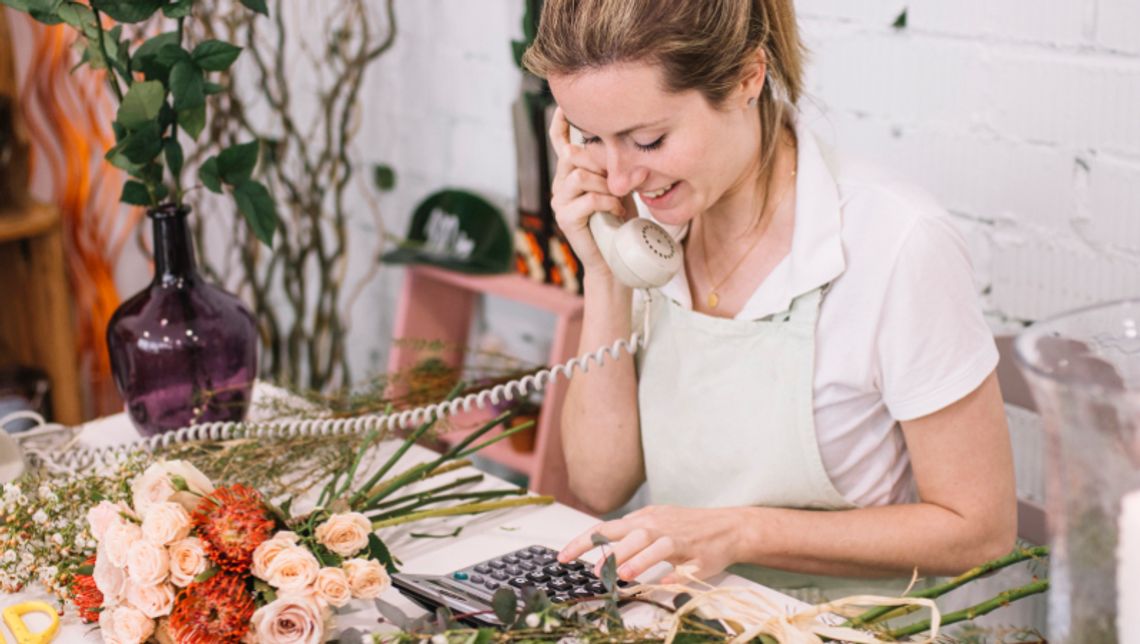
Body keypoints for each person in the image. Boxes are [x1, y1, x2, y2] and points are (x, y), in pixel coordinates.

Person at [521, 0, 1016, 599]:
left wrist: (740, 532)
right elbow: (600, 486)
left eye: (648, 140)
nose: (620, 179)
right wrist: (604, 271)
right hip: (683, 617)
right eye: (590, 138)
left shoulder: (897, 243)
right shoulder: (648, 231)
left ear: (746, 78)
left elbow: (980, 530)